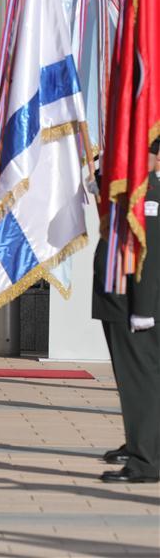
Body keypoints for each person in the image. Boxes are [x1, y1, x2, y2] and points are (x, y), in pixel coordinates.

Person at [93, 136, 160, 484]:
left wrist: (144, 308)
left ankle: (145, 460)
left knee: (140, 383)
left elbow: (150, 255)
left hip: (134, 302)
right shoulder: (137, 188)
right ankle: (142, 443)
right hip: (123, 299)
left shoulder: (148, 194)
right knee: (138, 381)